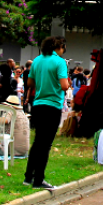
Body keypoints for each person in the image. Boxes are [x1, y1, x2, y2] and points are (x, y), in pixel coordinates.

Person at [23, 36, 70, 191]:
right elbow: (64, 86)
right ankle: (39, 180)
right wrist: (65, 83)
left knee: (37, 141)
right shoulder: (60, 62)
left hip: (38, 105)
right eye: (63, 48)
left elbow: (30, 83)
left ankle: (28, 176)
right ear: (59, 47)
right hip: (53, 106)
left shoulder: (37, 60)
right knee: (46, 144)